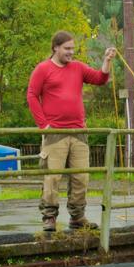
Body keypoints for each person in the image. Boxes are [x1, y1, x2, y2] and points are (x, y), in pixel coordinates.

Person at [27, 31, 116, 233]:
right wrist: (43, 125)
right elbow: (32, 95)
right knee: (53, 177)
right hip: (55, 132)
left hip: (79, 131)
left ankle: (77, 217)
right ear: (55, 48)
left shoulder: (77, 67)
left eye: (72, 48)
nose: (71, 52)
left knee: (81, 177)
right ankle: (49, 217)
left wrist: (107, 60)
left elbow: (100, 78)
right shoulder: (43, 69)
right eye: (67, 48)